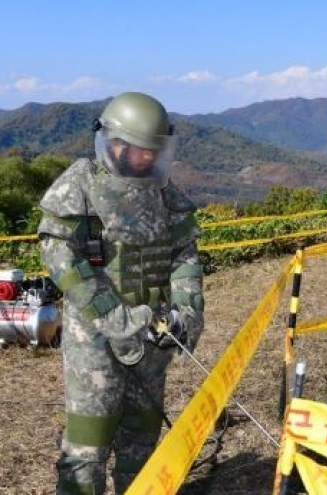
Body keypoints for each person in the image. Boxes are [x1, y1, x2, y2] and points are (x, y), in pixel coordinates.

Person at [37, 92, 205, 495]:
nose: (148, 159)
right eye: (140, 151)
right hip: (95, 337)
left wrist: (187, 311)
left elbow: (185, 253)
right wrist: (112, 316)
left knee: (142, 440)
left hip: (152, 331)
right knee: (87, 446)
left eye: (155, 152)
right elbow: (58, 253)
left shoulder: (164, 192)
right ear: (115, 144)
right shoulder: (81, 184)